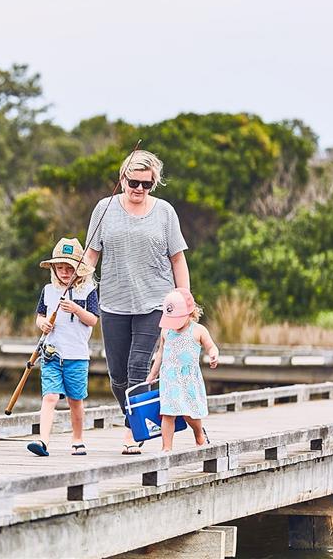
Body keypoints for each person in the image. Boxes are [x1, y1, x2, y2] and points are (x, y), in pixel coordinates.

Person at [84, 149, 190, 455]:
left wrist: (185, 299)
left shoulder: (165, 212)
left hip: (155, 302)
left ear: (154, 184)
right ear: (122, 179)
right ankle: (139, 419)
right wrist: (77, 281)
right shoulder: (104, 209)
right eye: (133, 182)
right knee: (117, 376)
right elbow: (92, 254)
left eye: (146, 184)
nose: (139, 189)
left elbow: (177, 259)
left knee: (137, 368)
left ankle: (133, 433)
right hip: (113, 302)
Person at [27, 237, 100, 457]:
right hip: (51, 355)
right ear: (54, 269)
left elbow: (93, 320)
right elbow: (39, 317)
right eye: (61, 268)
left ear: (79, 269)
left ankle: (77, 439)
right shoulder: (48, 290)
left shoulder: (88, 291)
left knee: (75, 400)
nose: (65, 273)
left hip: (76, 356)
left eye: (70, 268)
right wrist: (44, 324)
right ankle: (43, 440)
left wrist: (76, 309)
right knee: (50, 397)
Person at [145, 288, 219, 451]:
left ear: (190, 312)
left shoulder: (198, 330)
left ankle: (199, 433)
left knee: (189, 413)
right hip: (169, 379)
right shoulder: (166, 331)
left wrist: (213, 355)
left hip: (188, 379)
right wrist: (152, 373)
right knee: (167, 413)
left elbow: (211, 347)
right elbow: (160, 353)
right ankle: (166, 448)